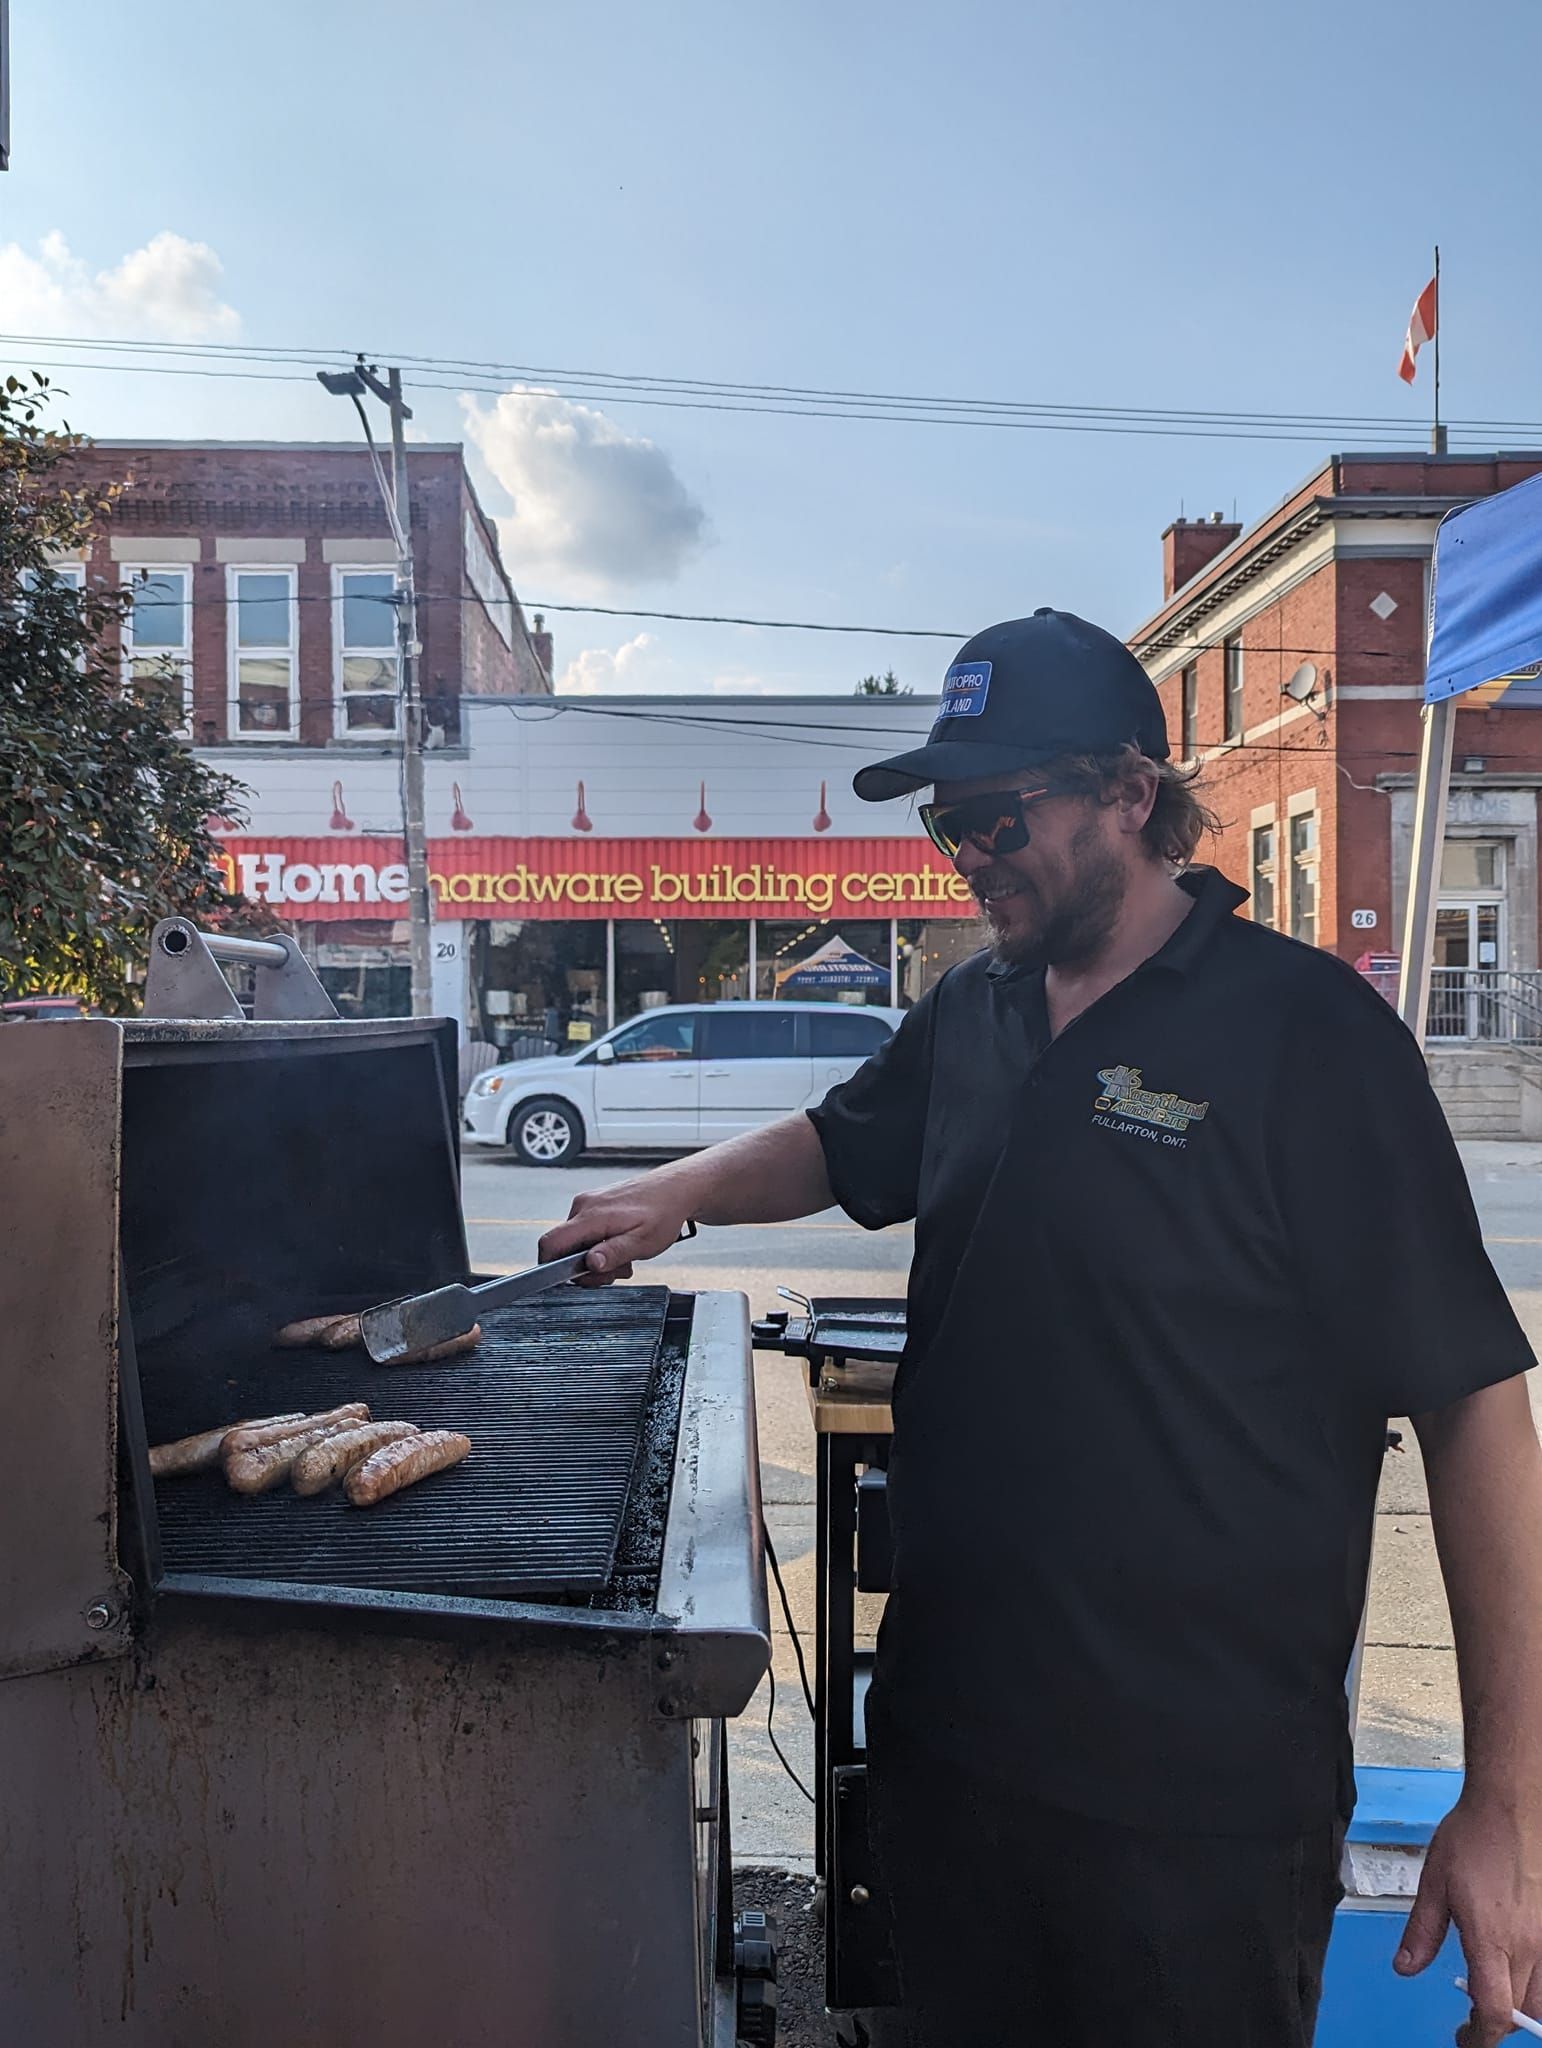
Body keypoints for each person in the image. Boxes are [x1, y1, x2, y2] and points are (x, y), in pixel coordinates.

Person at [539, 610, 1542, 2047]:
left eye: (997, 817)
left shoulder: (1308, 1035)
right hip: (952, 1755)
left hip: (1194, 1808)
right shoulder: (978, 1007)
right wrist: (670, 1198)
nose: (968, 855)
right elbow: (843, 1140)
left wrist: (1506, 1798)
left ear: (1129, 794)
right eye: (947, 823)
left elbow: (1472, 1402)